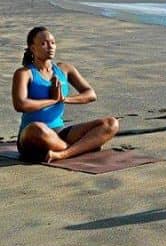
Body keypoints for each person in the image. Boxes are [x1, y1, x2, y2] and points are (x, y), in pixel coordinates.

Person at [12, 26, 119, 163]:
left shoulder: (65, 69)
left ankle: (63, 154)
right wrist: (52, 100)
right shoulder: (24, 73)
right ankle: (80, 148)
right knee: (37, 128)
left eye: (53, 43)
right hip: (32, 136)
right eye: (44, 44)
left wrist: (64, 99)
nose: (50, 47)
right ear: (33, 48)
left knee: (111, 123)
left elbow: (91, 94)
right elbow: (20, 104)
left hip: (60, 132)